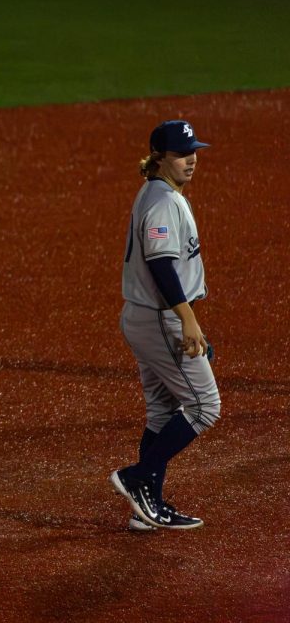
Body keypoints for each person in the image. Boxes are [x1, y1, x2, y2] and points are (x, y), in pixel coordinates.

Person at [110, 119, 220, 531]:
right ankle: (138, 478)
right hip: (159, 318)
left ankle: (146, 506)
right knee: (205, 406)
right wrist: (188, 320)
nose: (191, 160)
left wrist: (189, 320)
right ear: (159, 158)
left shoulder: (163, 193)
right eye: (181, 154)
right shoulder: (161, 201)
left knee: (161, 412)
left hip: (150, 317)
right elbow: (160, 265)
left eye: (193, 152)